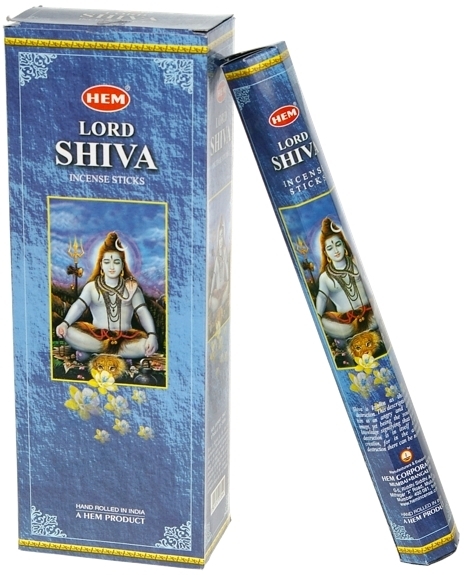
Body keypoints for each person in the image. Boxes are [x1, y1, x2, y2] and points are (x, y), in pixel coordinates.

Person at [56, 231, 158, 360]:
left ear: (122, 265)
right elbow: (79, 306)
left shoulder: (132, 288)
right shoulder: (91, 287)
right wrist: (65, 323)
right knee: (69, 332)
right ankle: (116, 354)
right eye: (107, 262)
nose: (112, 266)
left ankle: (93, 351)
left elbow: (142, 312)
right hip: (97, 337)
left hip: (125, 338)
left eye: (116, 262)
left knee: (144, 345)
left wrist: (152, 335)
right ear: (101, 265)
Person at [315, 217, 377, 340]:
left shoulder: (357, 264)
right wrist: (317, 316)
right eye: (330, 248)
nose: (335, 250)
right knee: (326, 323)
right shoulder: (325, 277)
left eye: (338, 244)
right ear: (326, 253)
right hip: (347, 323)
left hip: (371, 313)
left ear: (344, 245)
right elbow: (322, 297)